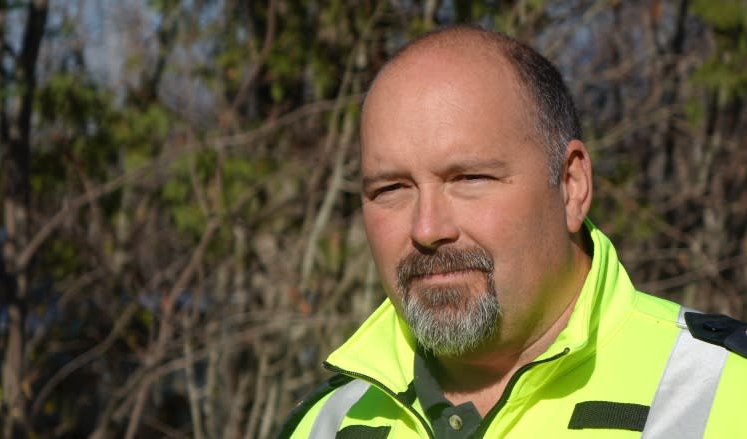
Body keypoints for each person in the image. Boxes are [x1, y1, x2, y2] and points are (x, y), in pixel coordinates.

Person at [278, 25, 747, 438]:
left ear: (570, 186)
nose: (427, 229)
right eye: (391, 188)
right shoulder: (326, 423)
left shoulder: (723, 389)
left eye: (469, 179)